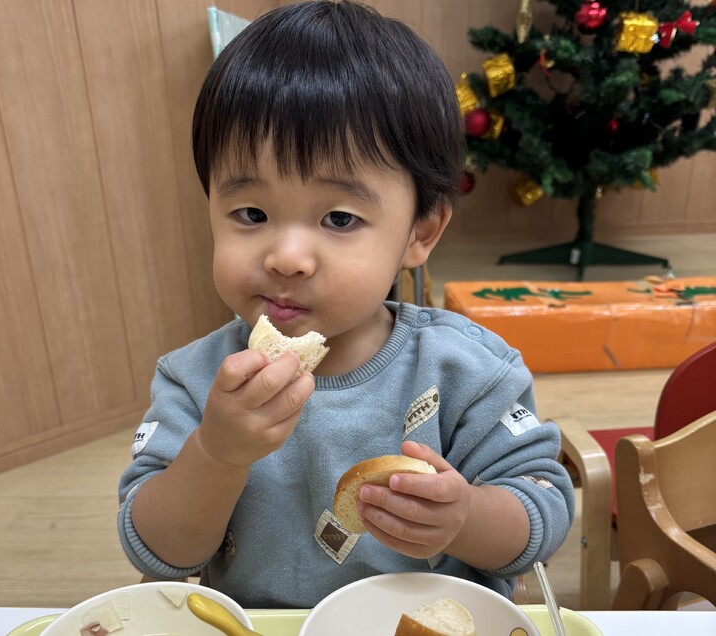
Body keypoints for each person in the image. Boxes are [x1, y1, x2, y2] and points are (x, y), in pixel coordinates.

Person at [118, 0, 574, 609]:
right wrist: (216, 453)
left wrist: (465, 518)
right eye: (250, 213)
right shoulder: (196, 381)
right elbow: (159, 553)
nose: (287, 257)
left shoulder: (467, 371)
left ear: (419, 233)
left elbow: (543, 509)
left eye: (339, 218)